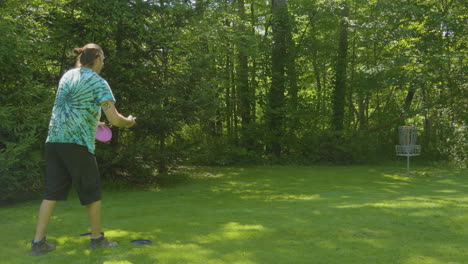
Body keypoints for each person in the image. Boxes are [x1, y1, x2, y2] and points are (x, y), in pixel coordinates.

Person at [30, 43, 136, 256]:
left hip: (54, 141)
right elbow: (115, 119)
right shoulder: (99, 82)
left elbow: (71, 107)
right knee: (92, 192)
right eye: (103, 59)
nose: (103, 64)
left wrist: (93, 123)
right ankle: (97, 240)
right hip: (77, 144)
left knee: (51, 192)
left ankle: (38, 243)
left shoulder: (67, 76)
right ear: (96, 58)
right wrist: (129, 122)